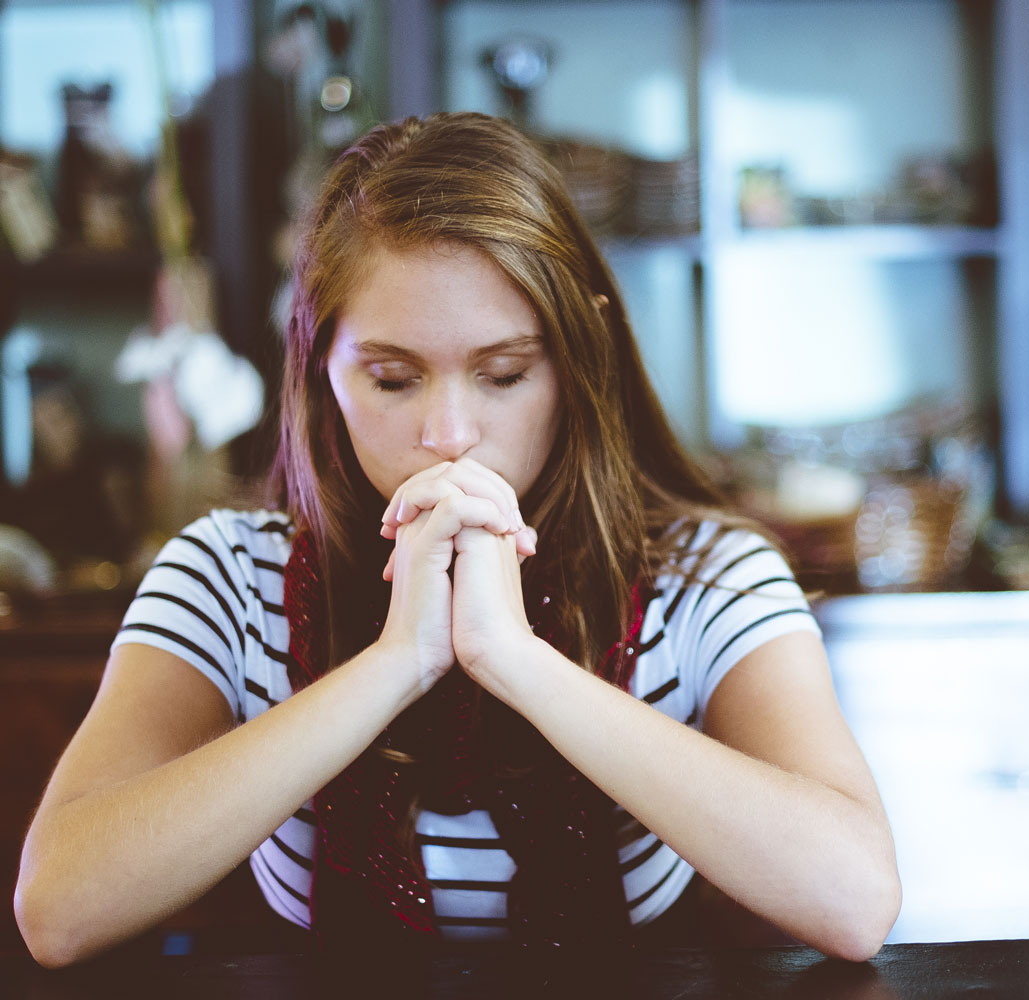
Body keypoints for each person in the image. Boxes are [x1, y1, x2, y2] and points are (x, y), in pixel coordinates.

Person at [13, 113, 901, 967]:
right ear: (321, 367)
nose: (450, 433)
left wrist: (511, 657)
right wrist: (397, 662)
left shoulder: (708, 575)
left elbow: (854, 900)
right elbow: (59, 908)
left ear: (576, 353)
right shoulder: (229, 573)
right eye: (393, 379)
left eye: (505, 373)